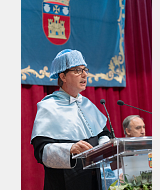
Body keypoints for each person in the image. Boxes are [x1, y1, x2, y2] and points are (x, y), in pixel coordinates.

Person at [30, 49, 112, 190]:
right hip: (66, 182)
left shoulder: (87, 104)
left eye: (85, 69)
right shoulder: (48, 106)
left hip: (96, 179)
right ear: (63, 76)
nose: (84, 74)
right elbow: (41, 152)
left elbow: (104, 133)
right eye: (77, 70)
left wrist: (103, 148)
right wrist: (70, 149)